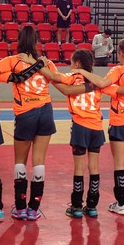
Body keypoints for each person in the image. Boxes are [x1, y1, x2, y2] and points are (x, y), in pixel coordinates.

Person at [0, 26, 60, 221]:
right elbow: (58, 80)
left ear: (19, 40)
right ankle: (34, 209)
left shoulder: (13, 60)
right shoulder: (46, 62)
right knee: (39, 161)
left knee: (20, 161)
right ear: (36, 41)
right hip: (46, 111)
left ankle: (21, 207)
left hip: (26, 113)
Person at [72, 37, 124, 216]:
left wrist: (82, 72)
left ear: (121, 53)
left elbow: (102, 84)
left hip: (120, 121)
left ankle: (121, 203)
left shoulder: (118, 71)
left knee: (119, 163)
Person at [45, 50, 111, 218]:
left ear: (77, 64)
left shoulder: (74, 77)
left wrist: (47, 66)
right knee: (94, 167)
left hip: (80, 125)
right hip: (96, 126)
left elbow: (57, 78)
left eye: (71, 63)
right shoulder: (96, 81)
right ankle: (92, 206)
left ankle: (76, 206)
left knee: (79, 167)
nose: (70, 66)